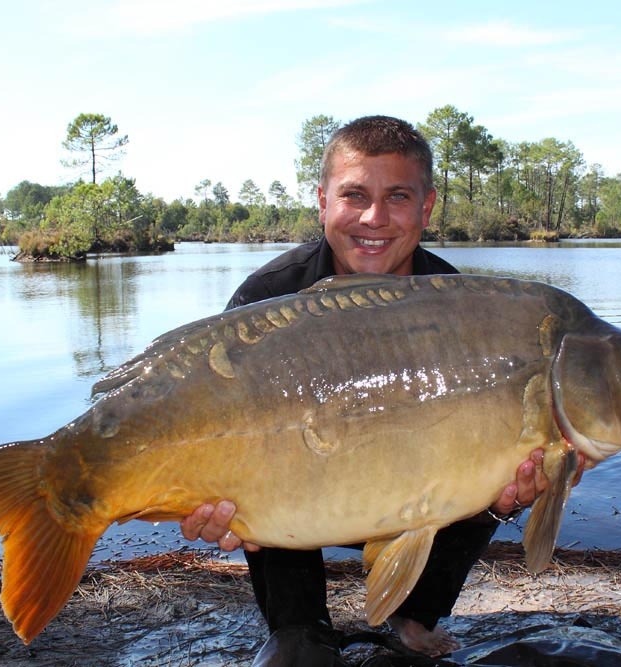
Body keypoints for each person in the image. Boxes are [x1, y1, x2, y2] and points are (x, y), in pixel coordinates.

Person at [179, 115, 548, 660]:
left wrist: (507, 490)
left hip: (408, 480)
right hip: (304, 487)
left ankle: (414, 616)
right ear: (323, 201)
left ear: (426, 208)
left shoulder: (459, 303)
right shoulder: (269, 296)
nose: (374, 218)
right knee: (268, 468)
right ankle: (298, 626)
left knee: (490, 475)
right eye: (354, 195)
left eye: (397, 197)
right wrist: (208, 498)